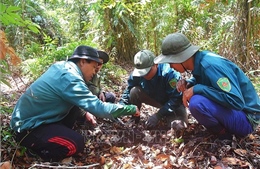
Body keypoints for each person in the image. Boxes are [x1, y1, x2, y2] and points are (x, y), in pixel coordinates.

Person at [10, 45, 140, 161]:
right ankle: (42, 151)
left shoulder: (63, 66)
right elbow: (100, 109)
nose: (95, 71)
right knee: (76, 144)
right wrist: (131, 109)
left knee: (75, 108)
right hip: (28, 128)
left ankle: (58, 133)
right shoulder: (70, 78)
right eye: (94, 67)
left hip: (39, 117)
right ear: (83, 62)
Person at [154, 32, 260, 140]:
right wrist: (189, 83)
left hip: (248, 119)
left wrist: (198, 89)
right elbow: (206, 80)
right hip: (239, 114)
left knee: (196, 103)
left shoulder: (210, 65)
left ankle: (224, 135)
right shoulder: (199, 61)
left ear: (180, 58)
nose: (170, 66)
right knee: (195, 97)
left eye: (171, 62)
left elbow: (236, 101)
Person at [119, 49, 188, 129]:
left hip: (174, 104)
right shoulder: (138, 74)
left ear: (156, 64)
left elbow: (176, 99)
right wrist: (120, 107)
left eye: (148, 71)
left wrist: (158, 115)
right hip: (155, 99)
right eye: (142, 73)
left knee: (179, 127)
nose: (145, 75)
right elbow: (129, 90)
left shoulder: (169, 73)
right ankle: (135, 118)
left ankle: (168, 116)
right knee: (134, 91)